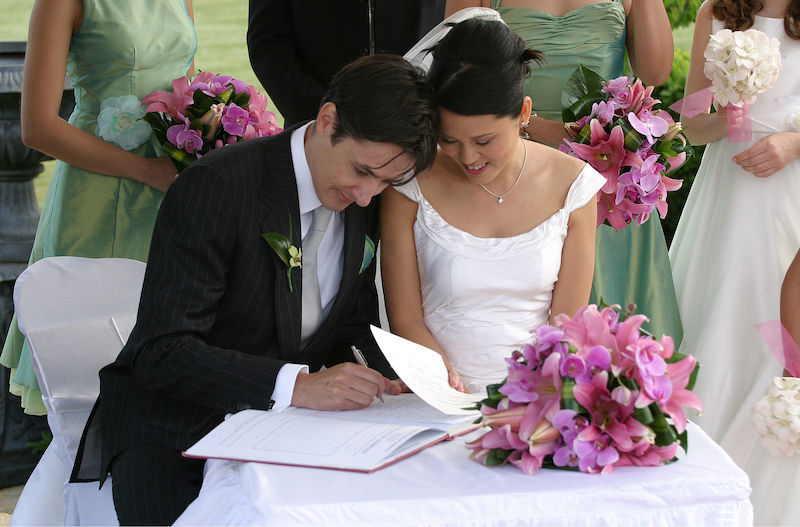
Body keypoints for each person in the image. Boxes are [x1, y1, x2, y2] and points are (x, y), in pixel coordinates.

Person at [70, 54, 438, 526]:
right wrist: (296, 385)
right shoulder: (217, 188)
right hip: (174, 424)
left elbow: (349, 321)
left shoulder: (361, 199)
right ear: (328, 121)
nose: (367, 196)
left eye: (385, 181)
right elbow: (162, 351)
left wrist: (400, 374)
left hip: (286, 430)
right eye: (363, 171)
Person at [381, 17, 605, 393]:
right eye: (448, 139)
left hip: (537, 396)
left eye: (484, 141)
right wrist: (443, 380)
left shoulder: (574, 186)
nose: (467, 157)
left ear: (522, 113)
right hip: (437, 393)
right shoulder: (408, 185)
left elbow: (566, 326)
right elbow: (404, 316)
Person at [0, 0, 196, 416]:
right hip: (100, 196)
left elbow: (185, 83)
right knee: (94, 380)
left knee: (169, 357)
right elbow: (37, 127)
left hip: (171, 187)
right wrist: (146, 171)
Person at [446, 0, 682, 344]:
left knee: (614, 349)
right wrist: (533, 126)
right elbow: (456, 81)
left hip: (608, 180)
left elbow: (656, 71)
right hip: (514, 167)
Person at [669, 1, 800, 524]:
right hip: (732, 199)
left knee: (783, 327)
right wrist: (729, 116)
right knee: (726, 316)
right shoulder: (717, 13)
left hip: (791, 197)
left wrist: (794, 143)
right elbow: (691, 125)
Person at [247, 0, 445, 127]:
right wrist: (325, 113)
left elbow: (456, 30)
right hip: (319, 130)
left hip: (418, 127)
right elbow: (267, 42)